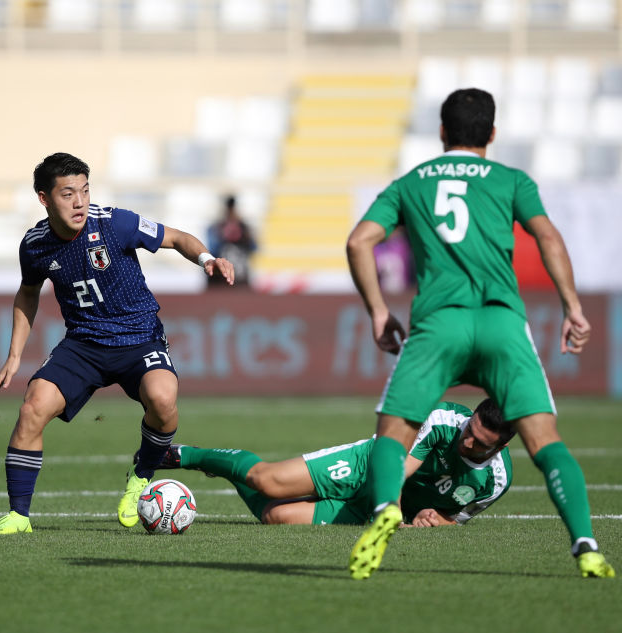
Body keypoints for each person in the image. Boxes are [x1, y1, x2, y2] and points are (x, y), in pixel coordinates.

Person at [345, 88, 614, 579]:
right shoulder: (511, 180)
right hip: (501, 321)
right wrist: (572, 306)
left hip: (439, 323)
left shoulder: (412, 182)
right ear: (492, 134)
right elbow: (549, 236)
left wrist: (378, 312)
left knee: (393, 434)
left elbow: (360, 240)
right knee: (545, 441)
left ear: (442, 132)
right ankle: (586, 544)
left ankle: (386, 509)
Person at [0, 152, 235, 534]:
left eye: (85, 190)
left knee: (164, 401)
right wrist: (14, 354)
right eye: (68, 193)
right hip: (84, 344)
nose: (80, 201)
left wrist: (206, 259)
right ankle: (19, 516)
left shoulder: (114, 222)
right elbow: (27, 292)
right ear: (44, 198)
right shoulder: (35, 245)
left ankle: (141, 476)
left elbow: (177, 237)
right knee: (33, 408)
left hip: (139, 337)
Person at [152, 400, 512, 527]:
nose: (467, 440)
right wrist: (391, 521)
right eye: (470, 429)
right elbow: (394, 476)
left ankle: (229, 470)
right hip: (369, 467)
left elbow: (457, 520)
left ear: (502, 445)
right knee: (269, 482)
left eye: (479, 443)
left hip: (386, 509)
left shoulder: (496, 481)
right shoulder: (442, 421)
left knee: (275, 516)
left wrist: (434, 521)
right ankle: (188, 455)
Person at [206, 194, 257, 287]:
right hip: (222, 278)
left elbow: (254, 247)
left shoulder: (243, 227)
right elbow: (212, 250)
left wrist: (245, 236)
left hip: (240, 277)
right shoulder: (217, 227)